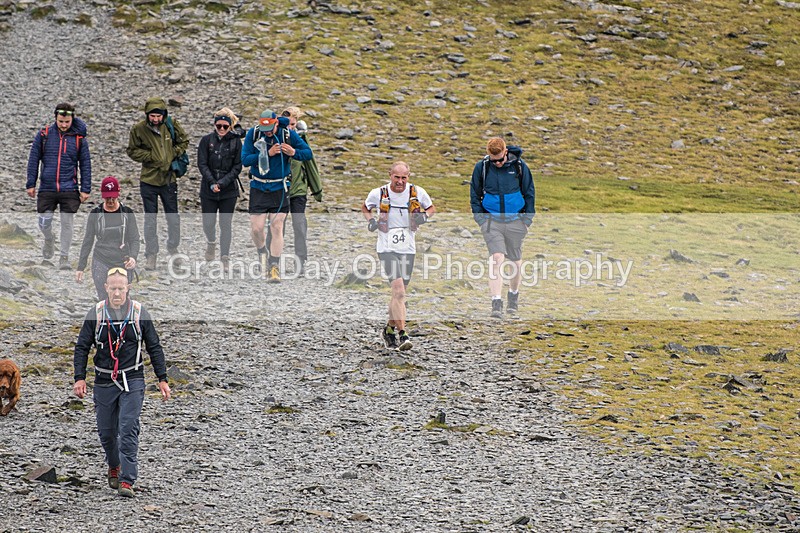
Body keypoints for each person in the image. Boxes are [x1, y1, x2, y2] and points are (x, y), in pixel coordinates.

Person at [73, 267, 171, 498]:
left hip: (132, 380)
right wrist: (79, 378)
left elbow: (154, 346)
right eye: (113, 288)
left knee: (128, 428)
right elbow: (82, 347)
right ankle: (114, 465)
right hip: (104, 379)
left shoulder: (139, 313)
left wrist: (162, 379)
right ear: (106, 288)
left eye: (121, 288)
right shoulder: (96, 313)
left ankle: (127, 480)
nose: (117, 293)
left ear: (128, 288)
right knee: (107, 433)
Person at [362, 161, 434, 351]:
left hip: (408, 248)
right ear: (390, 175)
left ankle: (389, 329)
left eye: (404, 177)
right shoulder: (379, 193)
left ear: (408, 176)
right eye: (397, 177)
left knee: (398, 295)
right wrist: (371, 221)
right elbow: (365, 207)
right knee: (399, 292)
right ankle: (403, 335)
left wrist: (424, 217)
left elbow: (431, 208)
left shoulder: (417, 192)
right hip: (386, 248)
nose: (400, 182)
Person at [241, 109, 312, 282]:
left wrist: (293, 152)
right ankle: (262, 252)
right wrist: (266, 153)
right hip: (258, 185)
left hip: (280, 187)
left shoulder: (287, 134)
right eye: (265, 130)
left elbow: (308, 153)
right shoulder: (254, 133)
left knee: (277, 226)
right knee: (257, 228)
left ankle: (274, 266)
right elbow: (244, 160)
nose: (267, 133)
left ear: (276, 123)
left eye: (270, 129)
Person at [469, 137, 535, 318]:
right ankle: (496, 303)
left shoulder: (520, 167)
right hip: (491, 222)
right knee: (497, 258)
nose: (497, 163)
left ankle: (513, 297)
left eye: (500, 159)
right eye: (493, 160)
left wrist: (526, 220)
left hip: (516, 221)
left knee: (515, 262)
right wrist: (481, 219)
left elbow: (529, 193)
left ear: (506, 152)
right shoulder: (481, 168)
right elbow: (474, 195)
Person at [25, 103, 92, 270]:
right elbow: (34, 159)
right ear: (55, 118)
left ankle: (64, 257)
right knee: (43, 221)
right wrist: (31, 183)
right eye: (61, 121)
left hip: (69, 188)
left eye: (67, 122)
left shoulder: (79, 139)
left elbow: (85, 164)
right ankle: (49, 238)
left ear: (72, 120)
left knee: (67, 223)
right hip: (47, 187)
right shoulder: (44, 135)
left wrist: (85, 188)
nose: (63, 125)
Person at [126, 97, 189, 271]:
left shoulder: (171, 125)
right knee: (150, 219)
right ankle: (151, 254)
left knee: (173, 218)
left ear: (164, 115)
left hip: (169, 180)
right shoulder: (138, 129)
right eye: (152, 116)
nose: (155, 119)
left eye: (158, 116)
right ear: (147, 115)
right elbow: (132, 150)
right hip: (148, 180)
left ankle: (173, 248)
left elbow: (184, 141)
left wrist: (172, 153)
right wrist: (150, 157)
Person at [265, 107, 323, 274]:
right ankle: (272, 261)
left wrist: (317, 190)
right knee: (276, 226)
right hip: (278, 189)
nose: (290, 127)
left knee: (299, 224)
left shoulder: (300, 140)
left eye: (293, 124)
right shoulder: (274, 138)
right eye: (288, 124)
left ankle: (301, 262)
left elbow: (310, 163)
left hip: (298, 190)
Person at [75, 176, 140, 300]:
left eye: (113, 197)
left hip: (123, 260)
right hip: (101, 259)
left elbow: (134, 239)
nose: (110, 200)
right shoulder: (95, 214)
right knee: (104, 297)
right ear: (102, 195)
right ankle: (104, 318)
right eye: (107, 197)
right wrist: (80, 267)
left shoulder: (127, 213)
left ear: (118, 194)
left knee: (122, 297)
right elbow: (88, 241)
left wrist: (133, 257)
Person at [197, 107, 243, 270]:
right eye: (219, 126)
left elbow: (238, 166)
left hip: (228, 189)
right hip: (208, 188)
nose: (222, 129)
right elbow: (201, 164)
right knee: (208, 222)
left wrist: (222, 183)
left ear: (230, 126)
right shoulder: (206, 140)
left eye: (225, 126)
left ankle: (225, 256)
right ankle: (211, 242)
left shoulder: (236, 142)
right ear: (215, 125)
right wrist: (211, 182)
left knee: (226, 224)